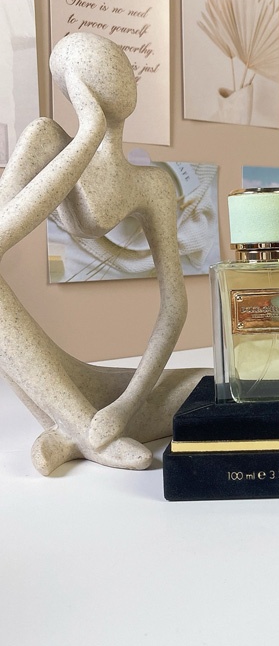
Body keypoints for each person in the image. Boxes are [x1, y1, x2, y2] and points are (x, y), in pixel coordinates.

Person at [0, 32, 204, 475]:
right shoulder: (47, 140)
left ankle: (71, 429)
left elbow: (175, 306)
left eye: (122, 64)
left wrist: (126, 406)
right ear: (74, 84)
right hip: (44, 368)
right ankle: (81, 428)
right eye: (96, 61)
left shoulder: (152, 184)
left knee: (213, 384)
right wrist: (89, 131)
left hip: (95, 386)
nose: (121, 71)